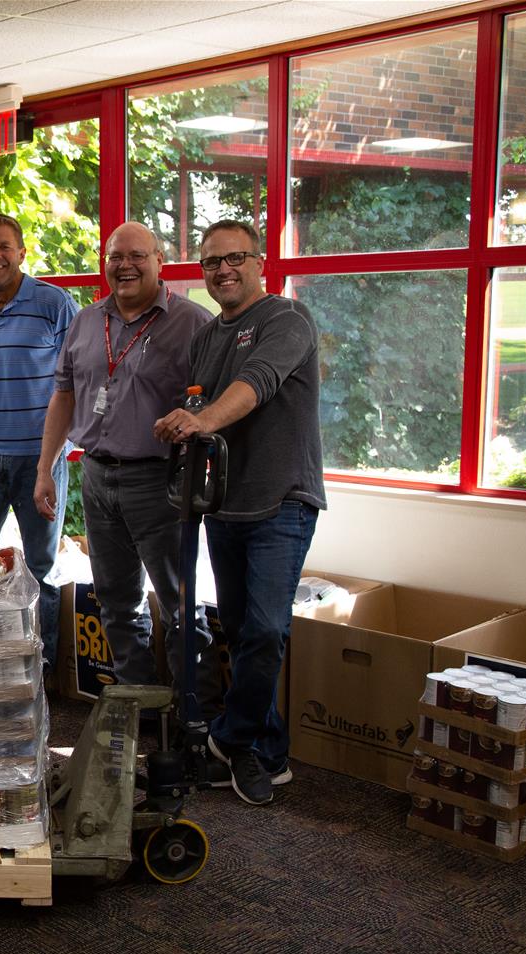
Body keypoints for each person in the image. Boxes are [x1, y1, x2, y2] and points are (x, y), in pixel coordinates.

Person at [154, 220, 326, 807]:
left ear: (260, 263)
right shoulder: (209, 335)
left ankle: (229, 739)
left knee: (267, 628)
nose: (223, 270)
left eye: (235, 259)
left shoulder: (285, 320)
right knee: (241, 631)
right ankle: (266, 755)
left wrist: (202, 420)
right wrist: (183, 417)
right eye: (210, 263)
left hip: (282, 500)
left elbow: (258, 384)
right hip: (224, 503)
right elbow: (202, 398)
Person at [35, 222, 218, 712]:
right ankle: (137, 709)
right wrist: (44, 469)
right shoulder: (87, 321)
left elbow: (216, 405)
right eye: (116, 256)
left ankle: (188, 715)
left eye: (138, 255)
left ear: (160, 260)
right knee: (117, 603)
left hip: (160, 481)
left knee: (180, 603)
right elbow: (64, 396)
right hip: (96, 475)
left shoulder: (193, 324)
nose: (125, 265)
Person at [0, 213, 78, 674]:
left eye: (4, 247)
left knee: (41, 569)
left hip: (38, 460)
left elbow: (72, 384)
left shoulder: (54, 304)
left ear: (22, 252)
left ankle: (39, 671)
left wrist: (50, 458)